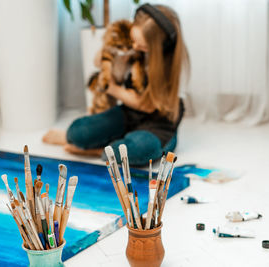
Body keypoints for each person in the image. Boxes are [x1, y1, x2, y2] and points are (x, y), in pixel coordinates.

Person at [43, 4, 190, 166]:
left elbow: (144, 105)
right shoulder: (134, 48)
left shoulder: (172, 66)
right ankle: (109, 144)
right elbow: (98, 62)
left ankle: (102, 150)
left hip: (159, 125)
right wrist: (109, 46)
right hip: (130, 113)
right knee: (80, 131)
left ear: (159, 46)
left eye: (142, 46)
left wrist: (111, 87)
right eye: (134, 41)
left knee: (141, 149)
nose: (134, 47)